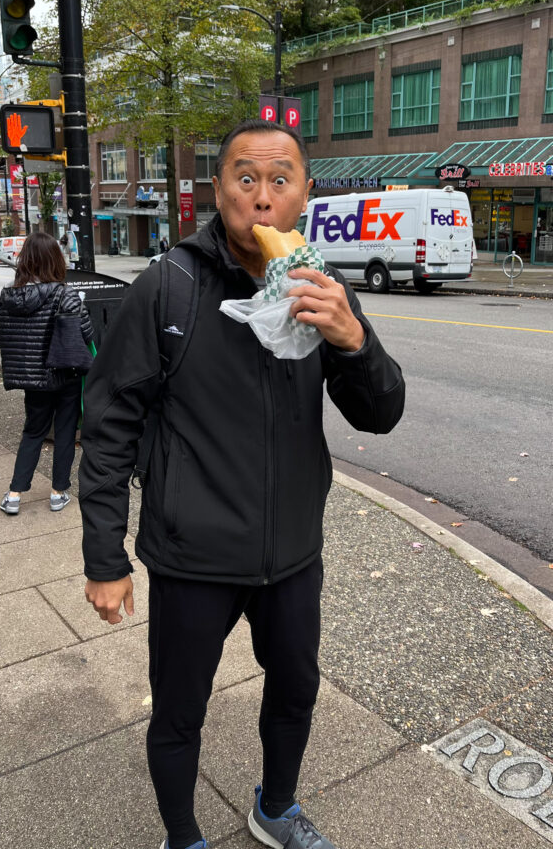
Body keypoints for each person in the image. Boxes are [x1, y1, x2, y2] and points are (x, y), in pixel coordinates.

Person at [79, 120, 405, 849]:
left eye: (280, 180)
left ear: (304, 196)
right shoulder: (170, 287)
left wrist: (355, 342)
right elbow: (107, 428)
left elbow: (381, 413)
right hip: (193, 555)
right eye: (245, 179)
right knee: (179, 712)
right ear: (218, 189)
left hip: (292, 553)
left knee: (296, 691)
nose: (262, 197)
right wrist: (104, 558)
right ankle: (182, 835)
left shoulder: (320, 286)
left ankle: (276, 808)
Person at [0, 232, 94, 516]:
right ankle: (57, 493)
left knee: (33, 431)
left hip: (34, 380)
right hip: (66, 373)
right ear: (55, 259)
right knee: (65, 432)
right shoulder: (65, 294)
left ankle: (14, 495)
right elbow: (86, 333)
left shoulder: (8, 297)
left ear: (25, 260)